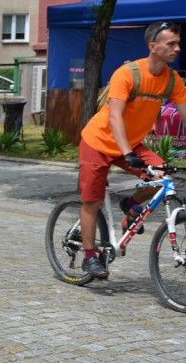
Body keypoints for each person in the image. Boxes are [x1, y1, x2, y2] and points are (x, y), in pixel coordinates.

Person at [78, 20, 186, 278]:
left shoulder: (172, 80)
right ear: (153, 46)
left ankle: (131, 205)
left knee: (161, 177)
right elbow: (115, 116)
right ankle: (90, 256)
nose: (177, 48)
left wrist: (130, 151)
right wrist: (128, 153)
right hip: (98, 142)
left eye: (178, 43)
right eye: (171, 43)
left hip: (131, 143)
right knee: (91, 201)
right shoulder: (127, 74)